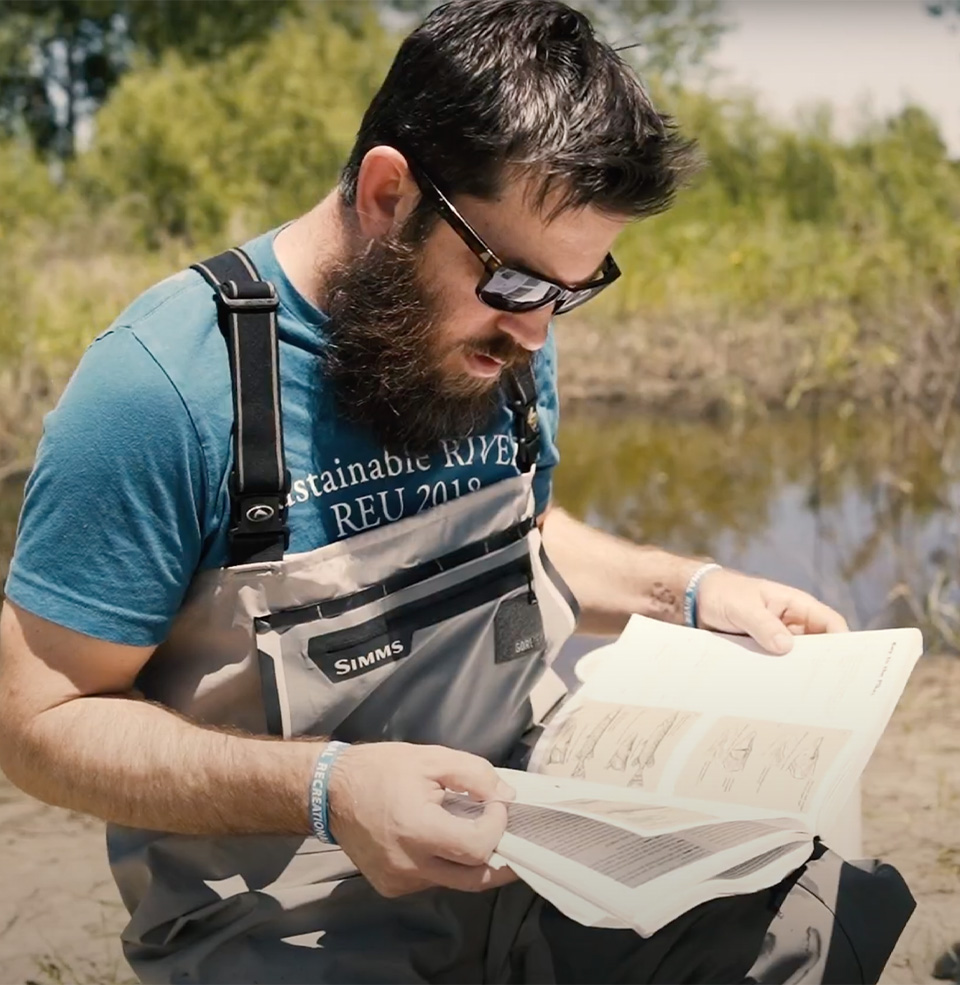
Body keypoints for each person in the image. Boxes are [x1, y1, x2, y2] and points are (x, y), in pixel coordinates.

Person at [0, 1, 914, 982]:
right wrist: (329, 787)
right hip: (296, 924)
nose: (537, 336)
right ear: (389, 193)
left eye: (572, 291)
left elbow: (519, 529)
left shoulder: (502, 341)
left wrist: (687, 590)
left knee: (811, 913)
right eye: (519, 285)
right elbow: (38, 721)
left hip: (542, 860)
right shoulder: (167, 388)